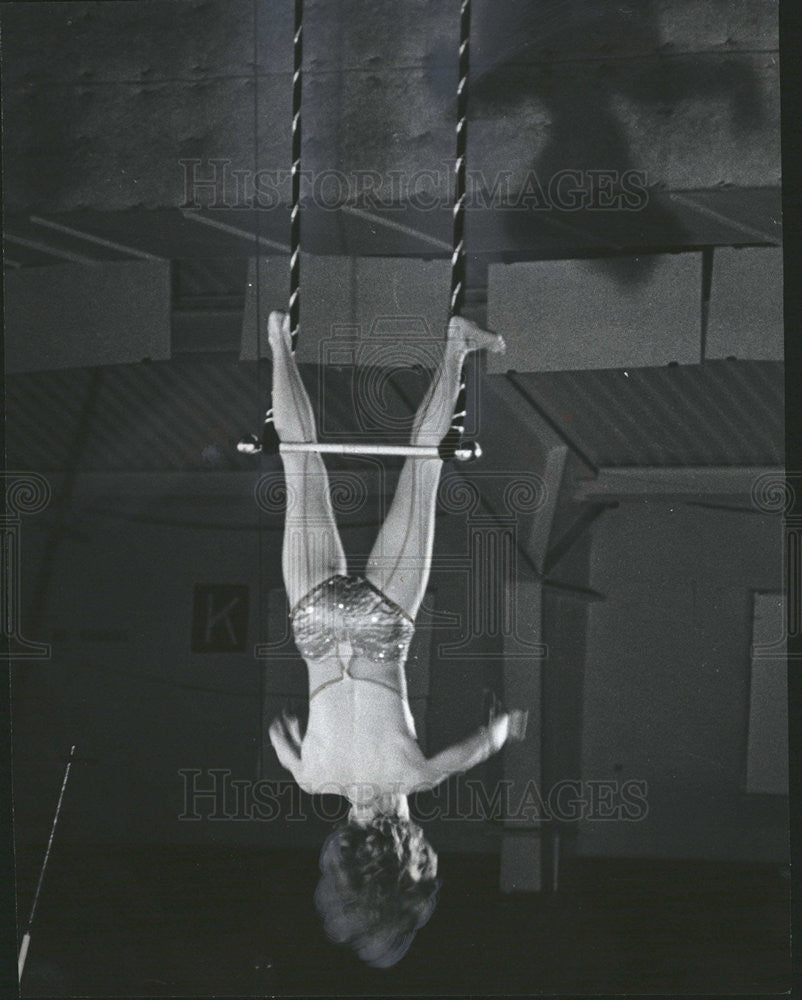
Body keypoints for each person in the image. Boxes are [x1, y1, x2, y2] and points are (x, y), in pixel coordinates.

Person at [265, 309, 528, 966]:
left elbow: (470, 752)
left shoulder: (417, 775)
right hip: (316, 628)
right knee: (301, 467)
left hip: (382, 632)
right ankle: (277, 343)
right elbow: (280, 737)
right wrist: (298, 745)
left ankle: (455, 348)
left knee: (424, 472)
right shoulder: (312, 781)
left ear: (411, 849)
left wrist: (501, 733)